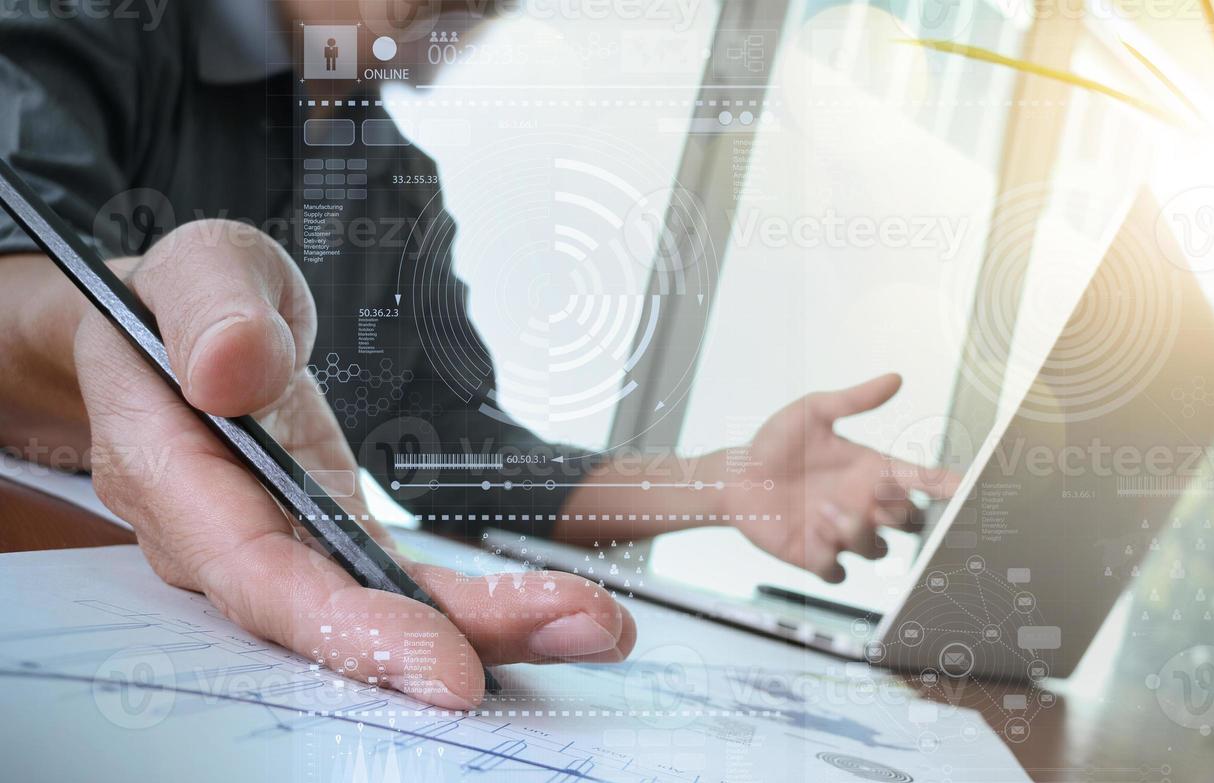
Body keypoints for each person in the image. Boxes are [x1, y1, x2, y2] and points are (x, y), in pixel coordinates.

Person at [0, 0, 959, 709]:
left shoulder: (397, 184)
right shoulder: (95, 20)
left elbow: (456, 452)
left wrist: (720, 482)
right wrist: (109, 317)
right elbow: (16, 266)